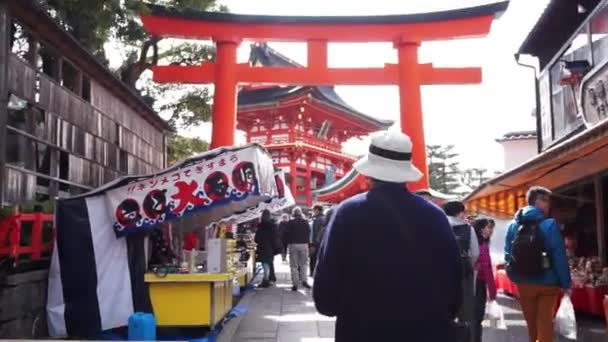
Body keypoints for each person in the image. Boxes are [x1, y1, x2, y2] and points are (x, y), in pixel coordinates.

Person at [313, 130, 462, 342]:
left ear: (369, 172)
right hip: (426, 328)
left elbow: (328, 278)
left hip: (362, 327)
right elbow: (453, 277)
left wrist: (330, 305)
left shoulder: (348, 212)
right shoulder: (435, 215)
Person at [504, 186, 571, 342]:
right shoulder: (550, 225)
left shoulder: (513, 225)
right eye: (546, 200)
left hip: (523, 282)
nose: (549, 205)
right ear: (538, 201)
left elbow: (508, 254)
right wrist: (566, 283)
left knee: (531, 325)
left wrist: (514, 276)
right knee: (545, 324)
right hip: (547, 282)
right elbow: (558, 255)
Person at [443, 200, 480, 342]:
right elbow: (475, 252)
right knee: (466, 309)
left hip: (443, 272)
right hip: (464, 271)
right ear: (460, 212)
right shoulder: (468, 228)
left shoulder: (439, 225)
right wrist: (467, 263)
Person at [472, 218, 497, 342]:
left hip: (475, 283)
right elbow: (486, 268)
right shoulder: (480, 244)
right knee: (476, 318)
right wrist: (492, 291)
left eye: (492, 228)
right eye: (489, 227)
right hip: (477, 283)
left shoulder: (481, 242)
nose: (491, 230)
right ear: (481, 228)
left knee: (474, 318)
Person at [285, 207, 311, 291]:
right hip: (304, 244)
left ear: (293, 214)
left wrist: (287, 243)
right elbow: (309, 232)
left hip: (293, 245)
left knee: (294, 265)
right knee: (304, 264)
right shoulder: (306, 222)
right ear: (300, 213)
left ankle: (295, 284)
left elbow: (286, 234)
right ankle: (304, 281)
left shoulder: (290, 222)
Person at [254, 210, 277, 288]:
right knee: (269, 262)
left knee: (265, 264)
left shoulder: (260, 226)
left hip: (262, 247)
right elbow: (275, 237)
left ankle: (265, 280)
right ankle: (270, 279)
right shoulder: (273, 226)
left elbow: (256, 239)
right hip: (270, 247)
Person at [309, 205, 325, 276]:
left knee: (313, 258)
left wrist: (312, 243)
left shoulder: (317, 220)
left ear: (317, 210)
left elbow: (315, 232)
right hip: (322, 242)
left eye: (313, 210)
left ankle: (312, 272)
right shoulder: (324, 218)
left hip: (316, 243)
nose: (313, 212)